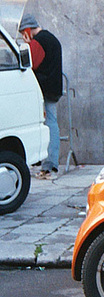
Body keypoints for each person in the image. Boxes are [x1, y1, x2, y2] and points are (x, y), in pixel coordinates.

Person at [19, 14, 63, 179]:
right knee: (51, 123)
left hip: (43, 89)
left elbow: (32, 65)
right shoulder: (52, 38)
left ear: (28, 30)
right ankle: (48, 164)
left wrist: (27, 46)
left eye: (23, 32)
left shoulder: (38, 41)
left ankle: (49, 165)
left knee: (49, 124)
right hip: (53, 88)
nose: (23, 37)